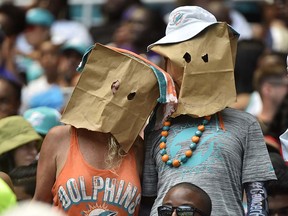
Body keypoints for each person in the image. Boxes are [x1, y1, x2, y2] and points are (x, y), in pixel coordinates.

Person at [141, 6, 276, 216]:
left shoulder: (245, 124)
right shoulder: (157, 123)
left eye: (201, 54)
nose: (189, 64)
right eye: (181, 56)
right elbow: (149, 199)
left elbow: (257, 194)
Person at [33, 43, 174, 215]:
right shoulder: (60, 138)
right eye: (112, 85)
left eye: (131, 92)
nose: (116, 92)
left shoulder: (136, 147)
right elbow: (39, 205)